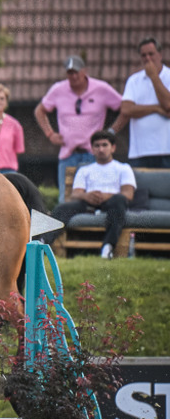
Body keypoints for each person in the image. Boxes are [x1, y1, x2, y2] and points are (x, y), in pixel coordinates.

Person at [34, 55, 123, 202]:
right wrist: (50, 133)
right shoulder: (58, 89)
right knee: (66, 199)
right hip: (68, 154)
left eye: (76, 72)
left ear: (84, 71)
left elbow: (124, 108)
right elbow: (40, 110)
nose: (74, 76)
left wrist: (111, 132)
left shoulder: (101, 89)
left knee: (94, 196)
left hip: (93, 155)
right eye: (70, 73)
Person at [50, 130, 135, 259]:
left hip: (113, 203)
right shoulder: (84, 169)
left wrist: (106, 196)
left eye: (105, 145)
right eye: (97, 146)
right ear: (92, 149)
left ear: (113, 148)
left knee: (120, 200)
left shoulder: (123, 168)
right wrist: (86, 196)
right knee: (62, 208)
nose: (101, 149)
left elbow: (128, 194)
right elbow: (76, 194)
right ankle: (43, 242)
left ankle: (108, 247)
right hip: (88, 203)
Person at [113, 37, 170, 168]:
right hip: (140, 152)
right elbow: (126, 110)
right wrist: (156, 108)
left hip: (166, 150)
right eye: (143, 55)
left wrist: (154, 77)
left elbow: (167, 104)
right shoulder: (134, 80)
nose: (147, 58)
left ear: (160, 55)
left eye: (151, 54)